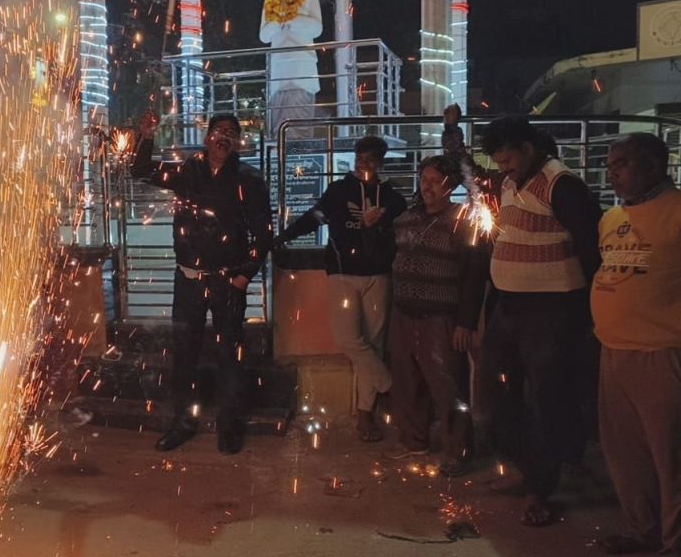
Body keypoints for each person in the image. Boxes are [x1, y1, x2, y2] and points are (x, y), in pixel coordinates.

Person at [480, 116, 601, 526]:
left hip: (551, 310)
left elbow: (590, 246)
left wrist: (587, 311)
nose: (503, 168)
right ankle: (523, 466)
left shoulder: (561, 185)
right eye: (498, 161)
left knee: (547, 399)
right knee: (498, 392)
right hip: (509, 308)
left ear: (528, 148)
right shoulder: (510, 183)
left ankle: (540, 487)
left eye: (507, 159)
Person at [130, 111, 272, 455]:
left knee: (229, 354)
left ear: (236, 142)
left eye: (231, 132)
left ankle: (229, 426)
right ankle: (182, 422)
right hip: (189, 280)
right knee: (184, 353)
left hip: (228, 281)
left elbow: (264, 232)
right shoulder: (187, 171)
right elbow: (141, 171)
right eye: (218, 130)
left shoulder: (248, 179)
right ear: (207, 137)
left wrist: (245, 276)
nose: (224, 136)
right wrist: (146, 136)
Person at [275, 135, 408, 442]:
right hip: (342, 273)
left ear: (381, 162)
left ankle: (365, 415)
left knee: (373, 344)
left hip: (379, 275)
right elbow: (313, 218)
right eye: (360, 158)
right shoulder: (338, 191)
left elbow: (401, 230)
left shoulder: (392, 198)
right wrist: (281, 237)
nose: (363, 165)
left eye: (370, 160)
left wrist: (378, 225)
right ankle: (393, 388)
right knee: (348, 339)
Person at [592, 133, 681, 555]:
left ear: (653, 166)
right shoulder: (612, 218)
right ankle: (640, 527)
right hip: (614, 349)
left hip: (662, 352)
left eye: (622, 163)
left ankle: (673, 542)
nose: (613, 172)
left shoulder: (676, 213)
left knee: (670, 456)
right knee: (626, 452)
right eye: (610, 164)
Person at [384, 155, 486, 477]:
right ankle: (414, 440)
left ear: (450, 186)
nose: (427, 186)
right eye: (424, 179)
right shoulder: (406, 218)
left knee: (447, 385)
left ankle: (459, 450)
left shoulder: (462, 221)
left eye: (435, 181)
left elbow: (473, 275)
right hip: (403, 312)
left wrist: (465, 322)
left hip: (441, 316)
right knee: (407, 381)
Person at [259, 0, 322, 138]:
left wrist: (292, 19)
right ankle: (279, 147)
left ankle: (300, 148)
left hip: (302, 65)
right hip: (278, 68)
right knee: (278, 119)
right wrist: (278, 22)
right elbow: (264, 35)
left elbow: (317, 28)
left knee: (300, 118)